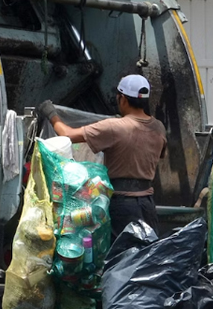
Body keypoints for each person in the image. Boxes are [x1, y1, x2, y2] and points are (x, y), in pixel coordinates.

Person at [41, 74, 167, 239]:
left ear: (122, 99)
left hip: (122, 204)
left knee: (120, 257)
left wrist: (51, 113)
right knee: (145, 255)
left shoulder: (114, 127)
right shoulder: (159, 127)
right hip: (147, 203)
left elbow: (67, 134)